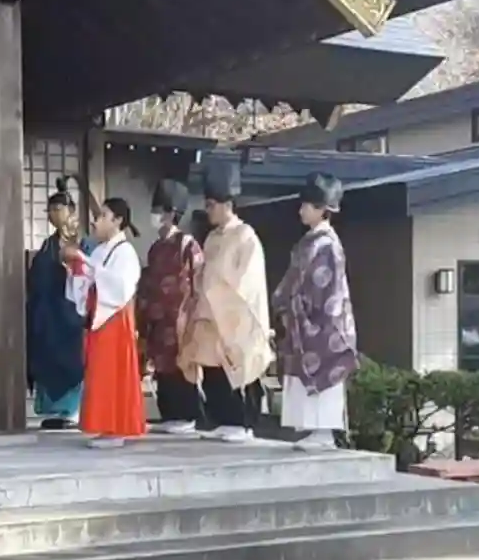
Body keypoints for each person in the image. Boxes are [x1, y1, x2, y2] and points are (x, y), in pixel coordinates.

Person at [178, 161, 273, 443]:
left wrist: (221, 296)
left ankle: (242, 422)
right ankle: (222, 419)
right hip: (209, 314)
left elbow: (249, 280)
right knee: (211, 366)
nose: (208, 210)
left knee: (236, 366)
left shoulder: (246, 236)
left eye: (212, 205)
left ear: (227, 204)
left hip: (233, 314)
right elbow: (203, 273)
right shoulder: (210, 239)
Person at [273, 172, 358, 452]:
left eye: (307, 205)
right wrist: (287, 304)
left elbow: (325, 288)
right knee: (303, 374)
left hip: (323, 321)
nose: (301, 210)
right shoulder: (310, 241)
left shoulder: (327, 244)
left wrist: (300, 307)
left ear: (322, 209)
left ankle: (324, 432)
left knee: (322, 370)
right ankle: (312, 428)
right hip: (304, 318)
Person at [65, 197, 147, 449]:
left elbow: (120, 287)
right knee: (99, 373)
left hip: (115, 318)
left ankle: (116, 427)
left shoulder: (126, 252)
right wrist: (77, 269)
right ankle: (104, 425)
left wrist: (86, 262)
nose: (96, 221)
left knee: (113, 373)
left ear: (117, 221)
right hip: (99, 316)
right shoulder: (101, 251)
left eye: (102, 216)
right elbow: (90, 279)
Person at [137, 178, 205, 435]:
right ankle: (169, 414)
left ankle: (187, 414)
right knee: (161, 367)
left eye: (159, 210)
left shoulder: (187, 244)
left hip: (180, 318)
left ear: (170, 213)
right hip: (157, 319)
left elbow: (198, 279)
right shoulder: (156, 248)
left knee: (180, 365)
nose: (155, 216)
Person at [26, 177, 96, 430]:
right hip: (46, 312)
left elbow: (88, 275)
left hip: (70, 314)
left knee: (71, 360)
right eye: (51, 210)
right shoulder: (48, 244)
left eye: (59, 209)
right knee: (47, 358)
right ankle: (53, 410)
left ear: (71, 211)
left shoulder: (83, 243)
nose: (55, 214)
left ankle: (72, 410)